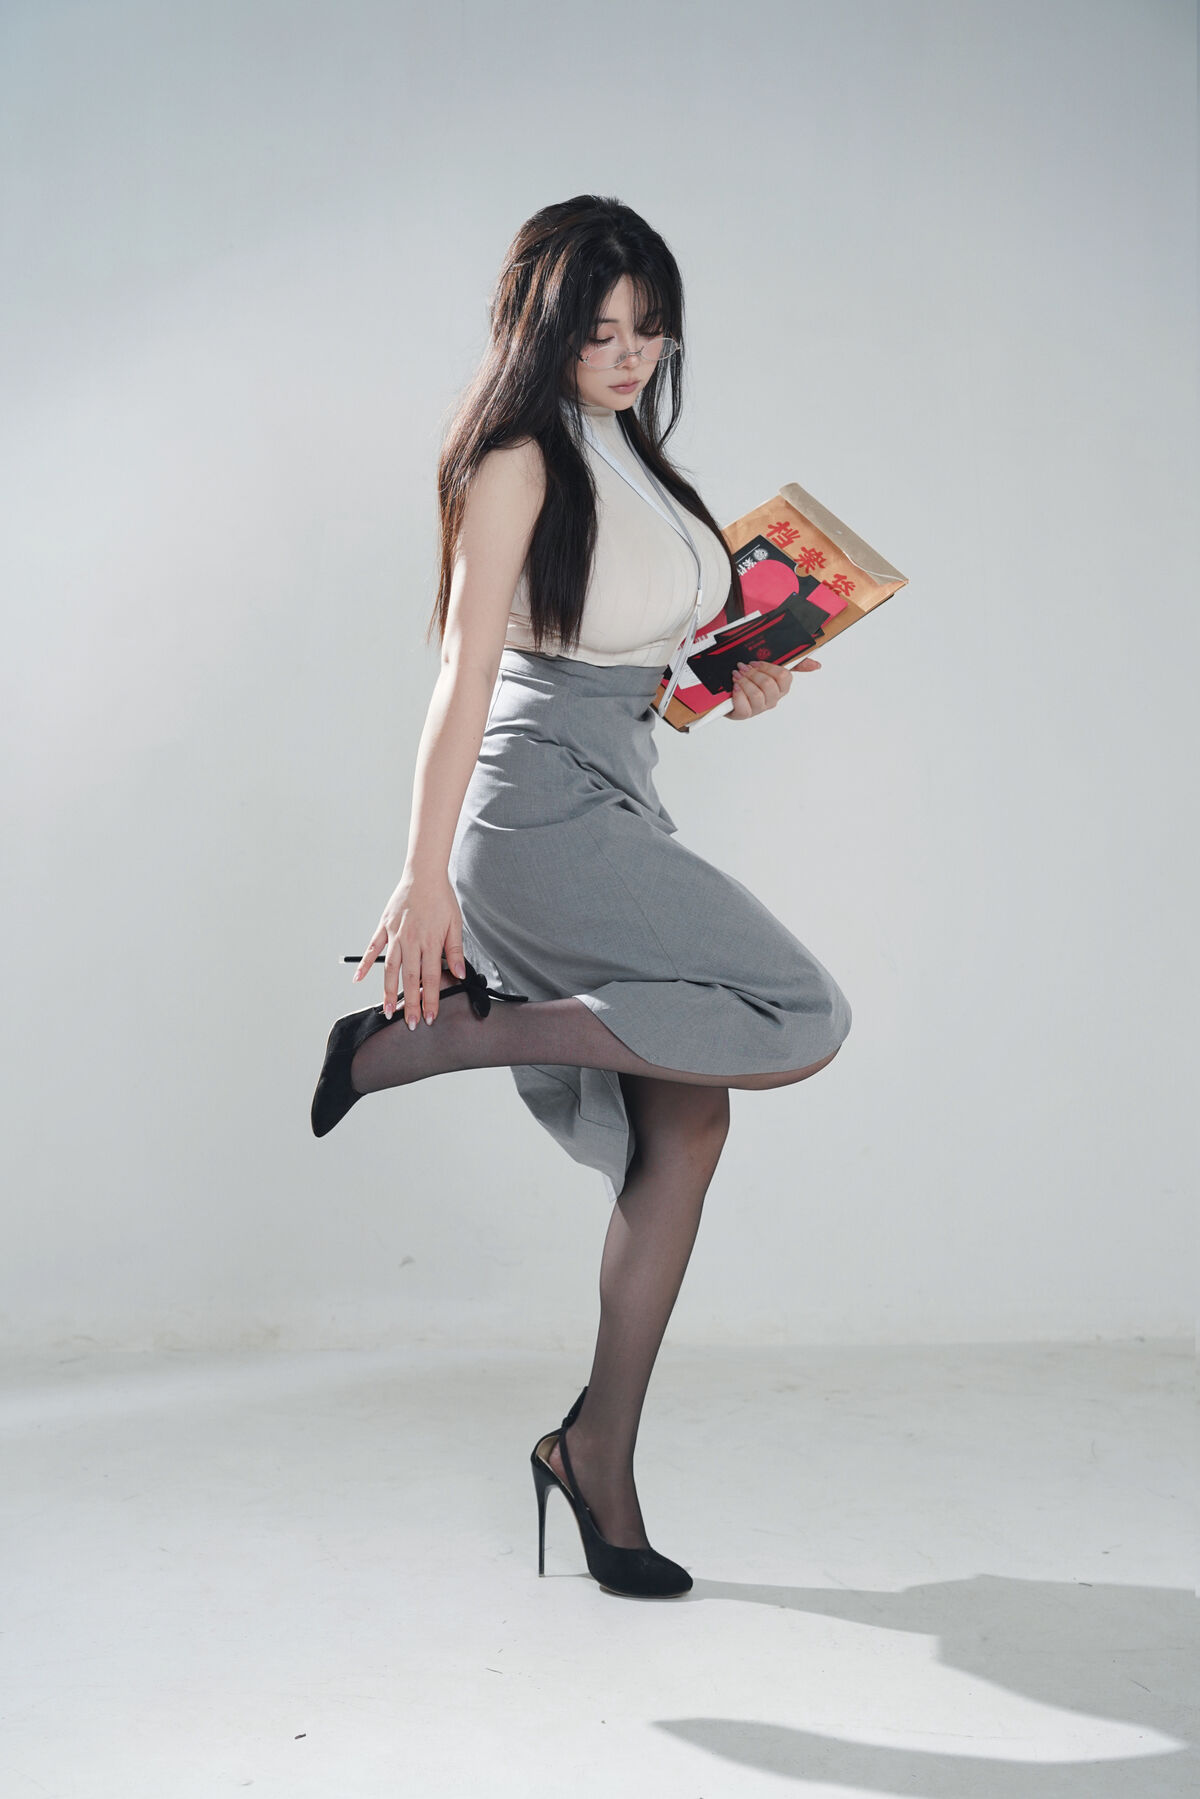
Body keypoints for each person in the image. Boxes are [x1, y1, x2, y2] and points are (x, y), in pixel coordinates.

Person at [310, 194, 852, 1599]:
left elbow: (631, 671)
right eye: (598, 330)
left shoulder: (637, 459)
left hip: (616, 787)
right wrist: (423, 876)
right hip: (535, 809)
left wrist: (731, 687)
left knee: (691, 1124)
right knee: (802, 1009)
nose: (626, 353)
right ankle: (433, 1037)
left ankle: (594, 1453)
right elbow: (466, 669)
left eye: (647, 328)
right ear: (541, 330)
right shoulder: (515, 459)